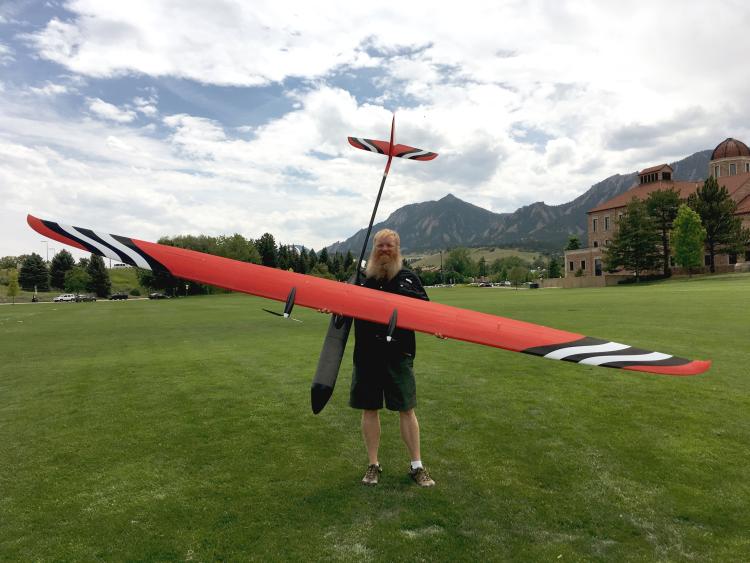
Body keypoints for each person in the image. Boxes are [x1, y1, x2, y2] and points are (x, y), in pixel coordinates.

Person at [350, 229, 435, 487]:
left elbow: (428, 312)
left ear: (397, 249)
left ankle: (416, 466)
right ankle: (373, 464)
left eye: (389, 246)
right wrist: (329, 307)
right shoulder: (360, 279)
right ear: (373, 248)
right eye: (380, 245)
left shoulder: (409, 278)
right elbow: (342, 307)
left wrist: (440, 327)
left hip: (399, 354)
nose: (384, 249)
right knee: (369, 408)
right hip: (367, 354)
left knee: (406, 409)